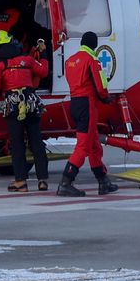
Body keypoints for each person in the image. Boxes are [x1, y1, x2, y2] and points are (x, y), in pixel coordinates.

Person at [59, 30, 117, 197]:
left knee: (93, 146)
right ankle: (66, 182)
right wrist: (105, 98)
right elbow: (100, 85)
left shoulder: (70, 61)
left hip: (75, 103)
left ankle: (103, 181)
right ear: (94, 44)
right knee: (83, 146)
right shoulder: (92, 60)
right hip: (87, 105)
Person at [0, 36, 50, 192]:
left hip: (13, 104)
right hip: (31, 101)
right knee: (36, 141)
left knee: (17, 144)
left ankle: (21, 182)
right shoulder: (27, 60)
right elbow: (43, 71)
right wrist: (43, 55)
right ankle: (42, 180)